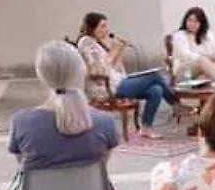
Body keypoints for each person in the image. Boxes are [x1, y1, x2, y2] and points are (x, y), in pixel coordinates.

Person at [7, 41, 120, 190]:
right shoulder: (105, 122)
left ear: (41, 75)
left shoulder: (22, 122)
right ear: (81, 71)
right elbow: (101, 166)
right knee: (69, 189)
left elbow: (24, 166)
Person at [77, 11, 185, 139]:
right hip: (105, 87)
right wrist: (113, 51)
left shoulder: (98, 43)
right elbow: (99, 70)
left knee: (156, 89)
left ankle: (146, 128)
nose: (106, 30)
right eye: (102, 26)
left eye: (106, 26)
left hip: (118, 81)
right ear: (92, 27)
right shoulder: (86, 43)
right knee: (155, 76)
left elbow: (114, 67)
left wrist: (119, 50)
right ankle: (175, 105)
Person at [170, 6, 215, 81]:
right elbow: (186, 55)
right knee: (201, 61)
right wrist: (208, 59)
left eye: (196, 21)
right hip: (183, 71)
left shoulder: (208, 35)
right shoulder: (179, 36)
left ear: (202, 23)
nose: (192, 24)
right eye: (189, 20)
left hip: (205, 67)